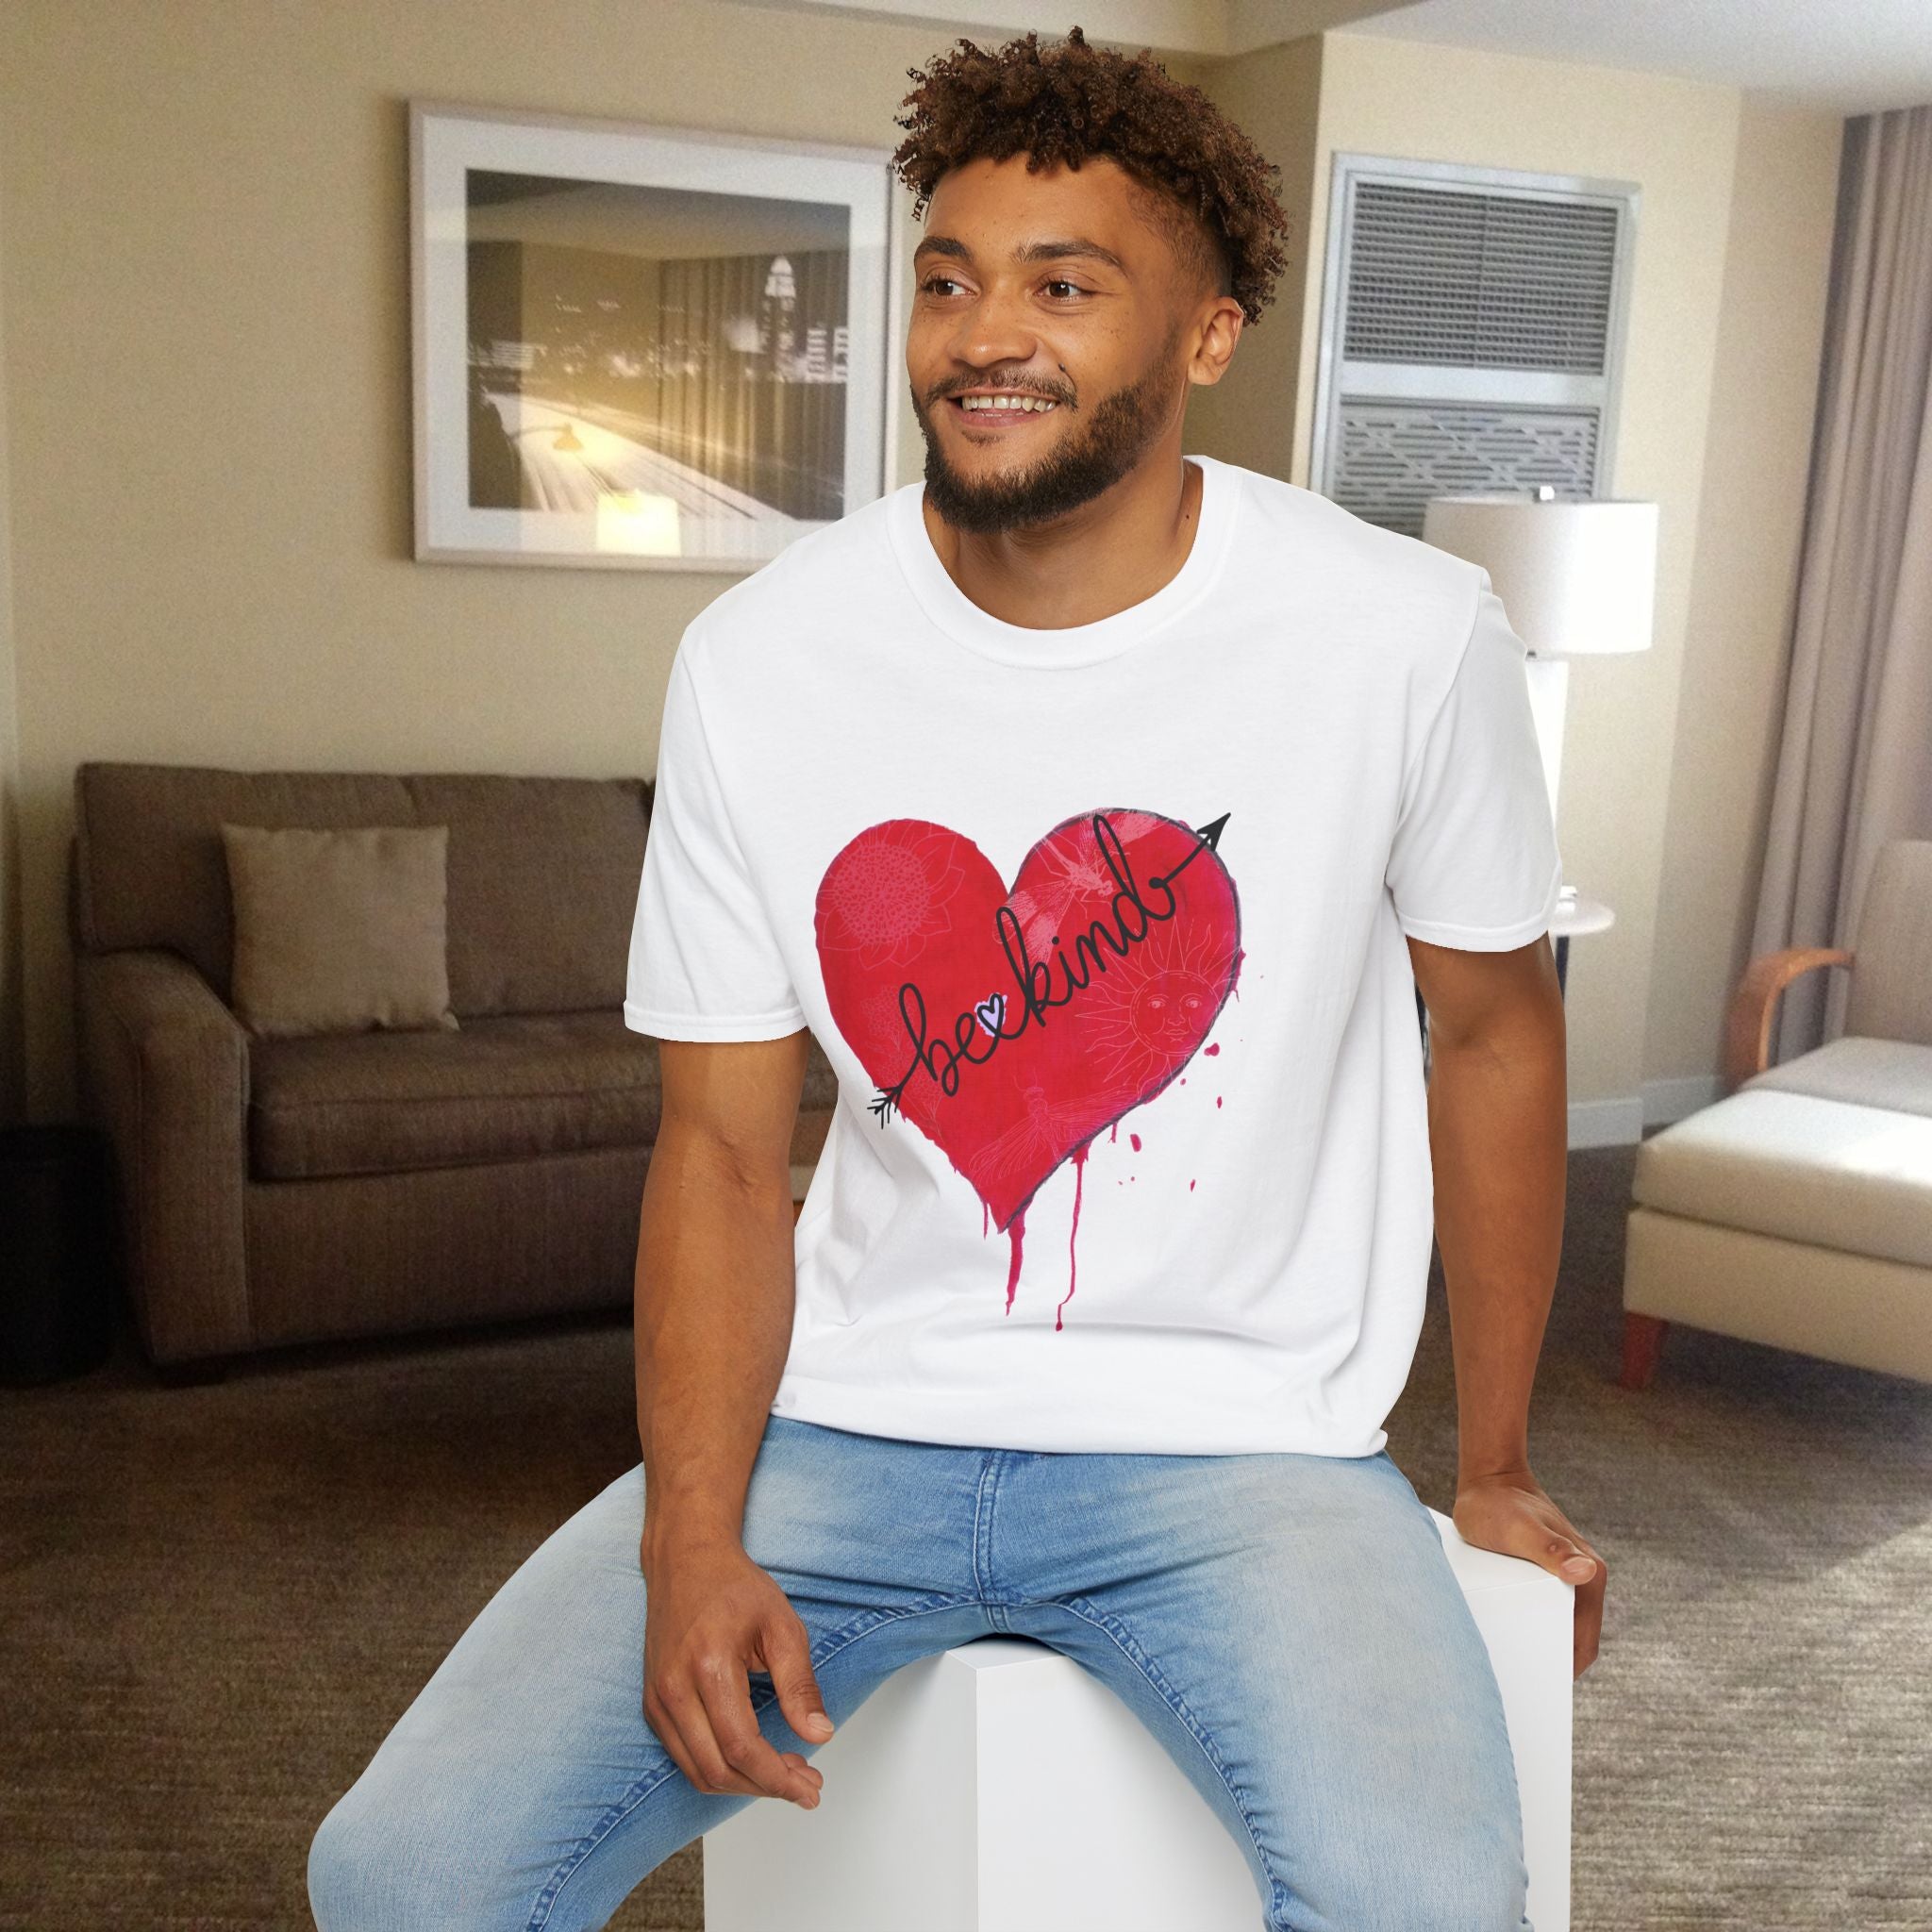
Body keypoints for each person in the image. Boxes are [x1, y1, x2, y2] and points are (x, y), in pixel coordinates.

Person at [308, 25, 1605, 1931]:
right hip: (843, 1425)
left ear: (1205, 339)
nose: (981, 332)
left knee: (1429, 1903)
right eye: (946, 278)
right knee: (401, 1874)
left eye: (1063, 286)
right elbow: (725, 1153)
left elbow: (1492, 1032)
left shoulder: (1404, 636)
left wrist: (1490, 1463)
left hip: (1244, 1450)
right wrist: (692, 1533)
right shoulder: (766, 658)